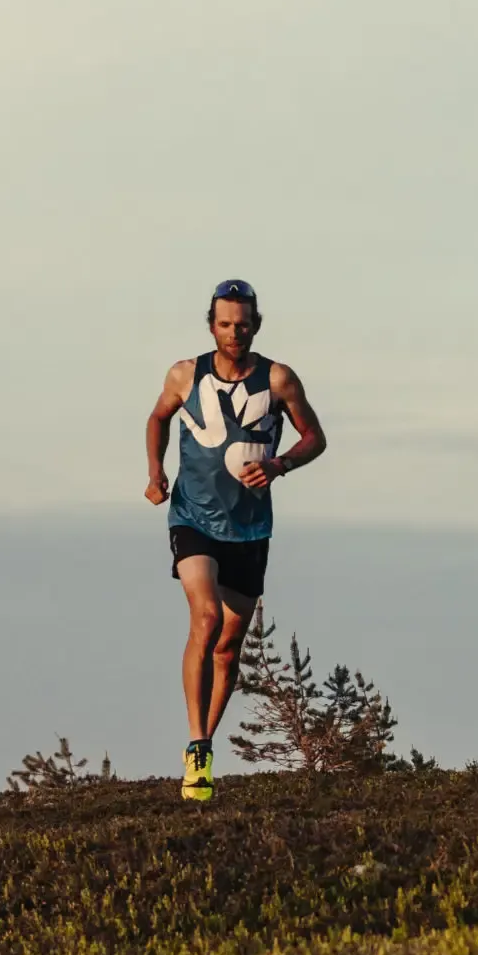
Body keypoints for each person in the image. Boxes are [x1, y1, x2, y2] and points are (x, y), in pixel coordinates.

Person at [143, 279, 327, 802]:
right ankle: (198, 749)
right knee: (203, 619)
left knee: (228, 648)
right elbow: (158, 417)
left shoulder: (279, 379)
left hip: (249, 528)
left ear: (256, 325)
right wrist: (155, 472)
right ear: (211, 325)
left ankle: (202, 745)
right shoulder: (185, 374)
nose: (233, 333)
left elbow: (315, 436)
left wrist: (280, 463)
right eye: (224, 324)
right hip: (192, 518)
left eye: (242, 324)